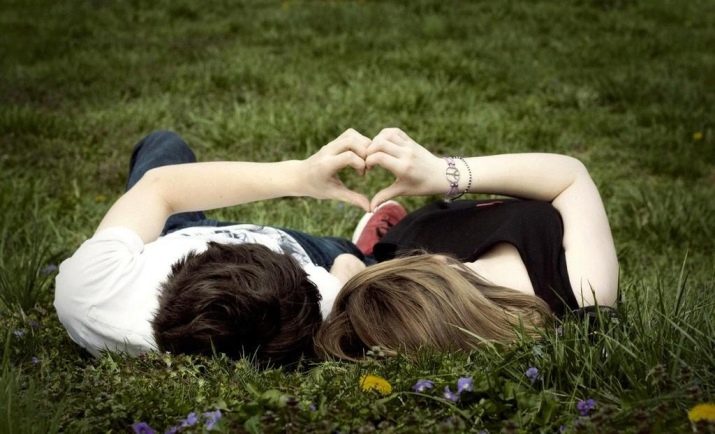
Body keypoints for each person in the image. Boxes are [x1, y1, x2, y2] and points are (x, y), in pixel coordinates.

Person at [54, 128, 390, 368]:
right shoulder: (317, 301)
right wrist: (352, 264)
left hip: (164, 237)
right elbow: (346, 267)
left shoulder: (90, 290)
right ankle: (375, 249)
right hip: (293, 259)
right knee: (348, 253)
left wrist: (300, 176)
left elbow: (159, 186)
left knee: (164, 143)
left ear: (186, 265)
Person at [316, 128, 619, 360]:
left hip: (405, 243)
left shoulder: (417, 307)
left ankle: (367, 257)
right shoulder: (587, 291)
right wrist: (445, 174)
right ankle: (366, 259)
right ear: (437, 263)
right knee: (353, 268)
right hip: (418, 248)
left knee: (349, 266)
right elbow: (571, 178)